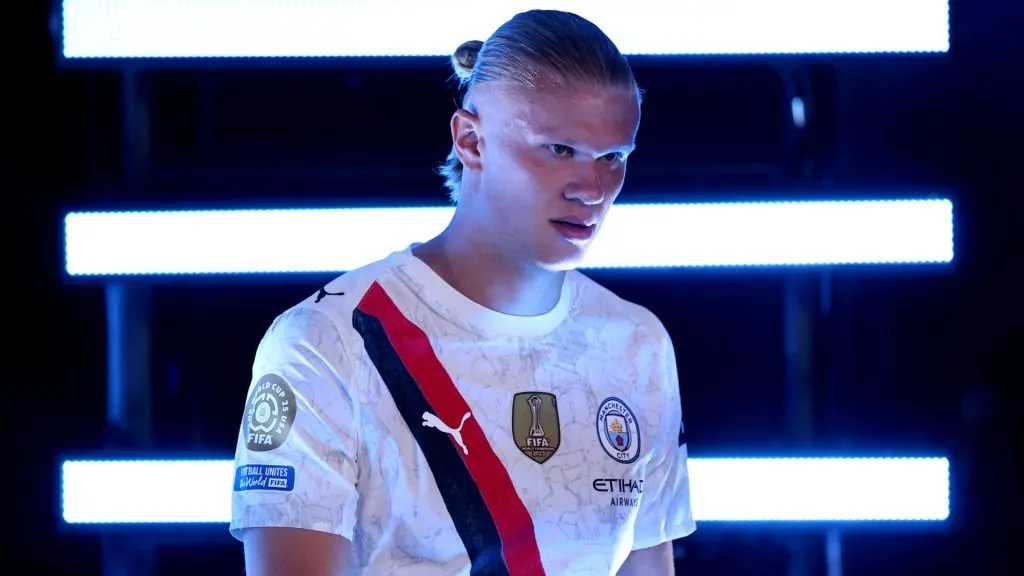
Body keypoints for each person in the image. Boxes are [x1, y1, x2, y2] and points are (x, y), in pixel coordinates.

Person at [230, 9, 695, 575]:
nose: (592, 188)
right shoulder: (324, 344)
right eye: (559, 149)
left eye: (613, 157)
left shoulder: (637, 345)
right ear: (471, 140)